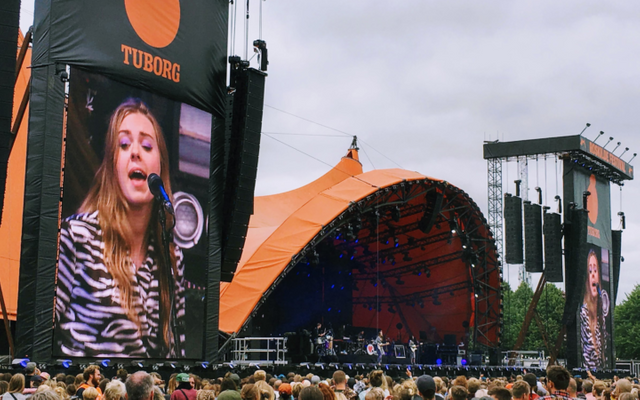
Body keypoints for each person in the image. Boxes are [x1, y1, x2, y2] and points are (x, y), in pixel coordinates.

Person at [54, 98, 186, 358]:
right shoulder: (76, 237)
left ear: (161, 166)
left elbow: (176, 352)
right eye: (124, 144)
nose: (135, 151)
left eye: (147, 145)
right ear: (112, 165)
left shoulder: (173, 258)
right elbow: (39, 333)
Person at [580, 249, 607, 369]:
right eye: (590, 271)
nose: (593, 275)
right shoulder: (583, 314)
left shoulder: (601, 315)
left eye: (595, 270)